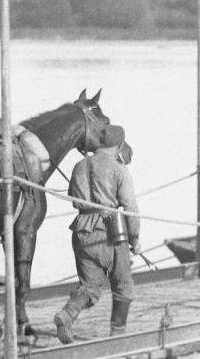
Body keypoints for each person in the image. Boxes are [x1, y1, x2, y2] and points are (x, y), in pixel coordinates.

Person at [54, 125, 141, 344]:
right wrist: (135, 239)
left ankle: (67, 314)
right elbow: (130, 207)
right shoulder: (120, 170)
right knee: (123, 285)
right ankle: (117, 337)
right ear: (119, 146)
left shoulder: (79, 165)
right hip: (109, 233)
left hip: (81, 231)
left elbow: (74, 198)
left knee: (89, 287)